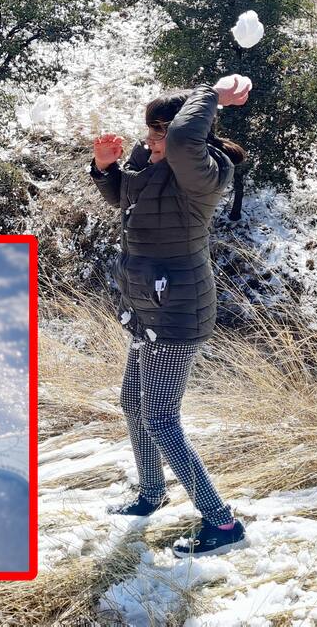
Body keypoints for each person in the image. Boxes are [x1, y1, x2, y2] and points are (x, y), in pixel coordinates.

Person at [89, 74, 250, 557]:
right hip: (146, 305)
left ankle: (222, 523)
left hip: (177, 309)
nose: (151, 139)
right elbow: (126, 199)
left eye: (159, 131)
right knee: (132, 403)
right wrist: (105, 169)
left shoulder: (201, 171)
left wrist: (212, 95)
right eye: (150, 130)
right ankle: (151, 493)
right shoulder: (153, 160)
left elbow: (182, 139)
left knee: (160, 417)